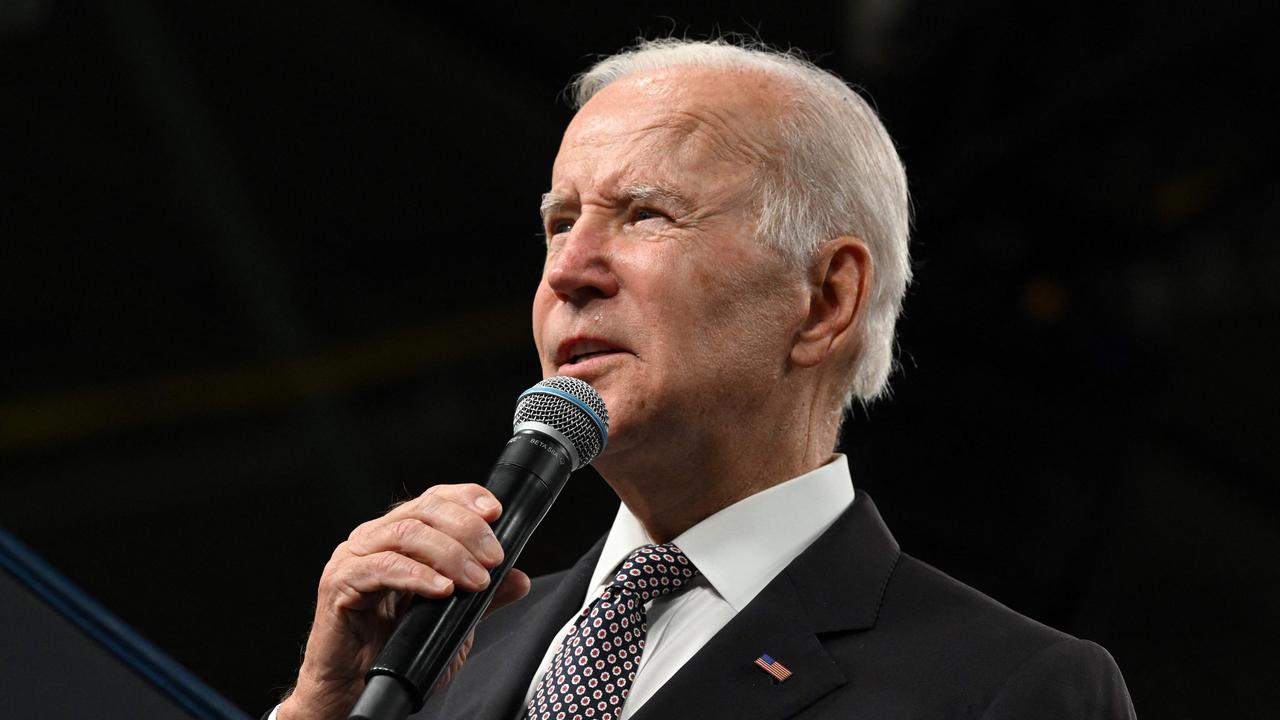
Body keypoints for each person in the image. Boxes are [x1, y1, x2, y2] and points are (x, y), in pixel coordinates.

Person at [271, 38, 1135, 720]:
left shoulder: (1005, 688)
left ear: (825, 299)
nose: (569, 269)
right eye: (559, 221)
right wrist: (321, 709)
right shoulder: (441, 660)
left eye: (646, 216)